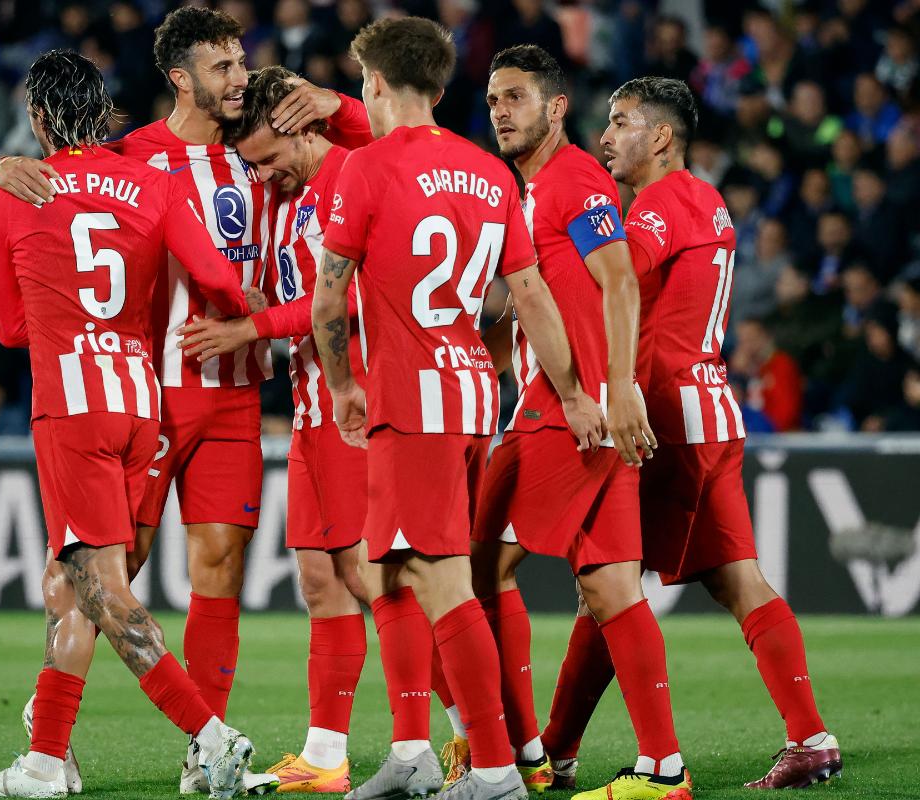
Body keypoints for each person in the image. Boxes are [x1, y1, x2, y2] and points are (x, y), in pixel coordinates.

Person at [0, 10, 364, 790]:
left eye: (241, 62)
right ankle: (50, 718)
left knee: (218, 566)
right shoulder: (134, 157)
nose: (240, 78)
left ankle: (203, 754)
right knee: (109, 570)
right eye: (223, 67)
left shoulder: (263, 142)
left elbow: (375, 152)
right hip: (152, 388)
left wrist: (336, 103)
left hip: (234, 391)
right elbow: (60, 180)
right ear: (180, 78)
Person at [312, 20, 599, 800]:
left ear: (374, 82)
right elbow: (529, 292)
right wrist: (570, 391)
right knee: (391, 568)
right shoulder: (489, 173)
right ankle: (410, 750)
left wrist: (342, 385)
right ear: (440, 89)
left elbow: (329, 292)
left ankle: (498, 765)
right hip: (473, 388)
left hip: (411, 402)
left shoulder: (366, 168)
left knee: (442, 582)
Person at [0, 50, 259, 800]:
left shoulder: (13, 194)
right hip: (139, 400)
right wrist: (245, 306)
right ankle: (44, 761)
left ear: (35, 118)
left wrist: (3, 179)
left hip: (72, 405)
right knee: (70, 579)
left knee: (102, 589)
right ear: (103, 112)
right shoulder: (151, 182)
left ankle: (213, 737)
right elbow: (219, 282)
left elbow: (6, 326)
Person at [543, 76, 841, 792]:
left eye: (620, 122)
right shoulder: (706, 198)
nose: (606, 136)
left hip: (666, 416)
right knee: (739, 580)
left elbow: (610, 276)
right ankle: (811, 739)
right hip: (711, 407)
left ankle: (562, 753)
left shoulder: (662, 204)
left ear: (663, 137)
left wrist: (534, 261)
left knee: (606, 584)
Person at [434, 45, 686, 800]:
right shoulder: (530, 191)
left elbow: (618, 281)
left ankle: (511, 752)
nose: (499, 112)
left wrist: (608, 390)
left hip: (566, 409)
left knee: (468, 572)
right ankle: (661, 768)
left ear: (554, 107)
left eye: (514, 98)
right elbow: (544, 292)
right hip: (563, 402)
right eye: (492, 100)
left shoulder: (574, 180)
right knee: (610, 587)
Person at [175, 64, 372, 793]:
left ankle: (466, 739)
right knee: (322, 580)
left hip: (355, 404)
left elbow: (339, 309)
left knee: (376, 578)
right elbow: (303, 297)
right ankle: (325, 757)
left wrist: (247, 329)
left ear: (305, 127)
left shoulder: (352, 176)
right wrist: (260, 301)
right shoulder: (295, 200)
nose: (261, 175)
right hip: (310, 408)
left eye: (267, 157)